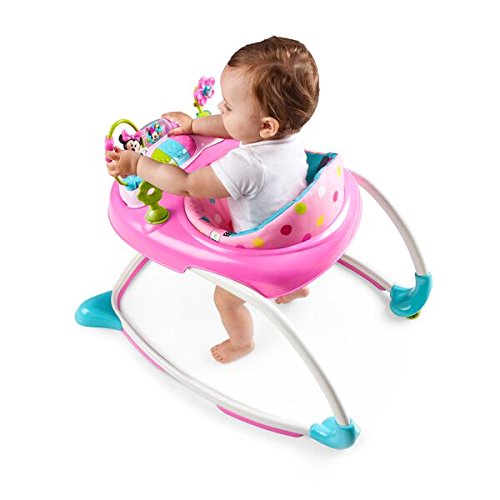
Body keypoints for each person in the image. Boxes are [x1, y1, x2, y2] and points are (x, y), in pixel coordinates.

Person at [106, 36, 320, 363]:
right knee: (237, 124)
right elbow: (233, 127)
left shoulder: (247, 165)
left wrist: (138, 165)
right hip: (298, 241)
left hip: (260, 255)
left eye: (229, 106)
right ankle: (294, 286)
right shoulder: (287, 138)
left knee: (226, 299)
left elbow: (187, 185)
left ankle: (242, 342)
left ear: (266, 126)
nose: (221, 108)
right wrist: (193, 124)